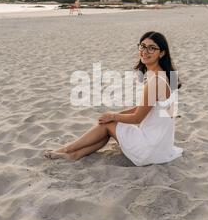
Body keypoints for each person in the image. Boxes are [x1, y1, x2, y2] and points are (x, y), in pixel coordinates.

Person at [44, 31, 183, 166]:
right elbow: (144, 108)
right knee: (108, 124)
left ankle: (67, 149)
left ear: (162, 53)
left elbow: (137, 119)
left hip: (150, 149)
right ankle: (74, 155)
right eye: (142, 46)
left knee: (107, 125)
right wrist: (114, 116)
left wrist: (113, 116)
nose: (145, 51)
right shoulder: (168, 76)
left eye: (152, 48)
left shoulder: (155, 81)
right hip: (162, 147)